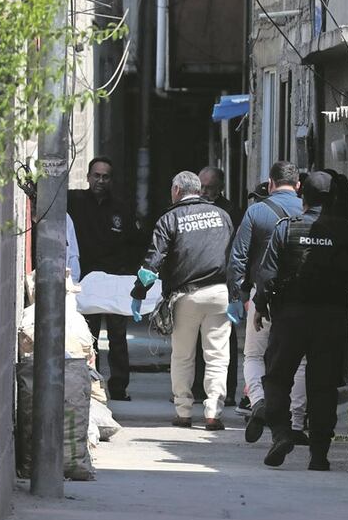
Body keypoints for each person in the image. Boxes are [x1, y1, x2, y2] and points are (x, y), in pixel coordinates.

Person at [253, 170, 348, 470]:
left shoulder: (286, 228)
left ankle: (281, 433)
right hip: (331, 319)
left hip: (290, 317)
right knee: (322, 387)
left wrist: (260, 306)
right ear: (333, 198)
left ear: (301, 196)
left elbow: (267, 274)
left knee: (276, 379)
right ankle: (319, 456)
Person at [131, 171, 234, 430]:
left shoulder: (170, 218)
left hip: (186, 296)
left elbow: (152, 263)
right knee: (218, 356)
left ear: (177, 190)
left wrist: (138, 294)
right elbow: (235, 256)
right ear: (198, 190)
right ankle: (213, 412)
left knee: (183, 356)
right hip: (220, 293)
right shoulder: (222, 215)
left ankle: (184, 411)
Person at [227, 161, 308, 444]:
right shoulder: (306, 211)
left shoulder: (257, 211)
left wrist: (237, 296)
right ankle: (296, 422)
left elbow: (238, 257)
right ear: (298, 185)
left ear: (271, 184)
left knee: (254, 356)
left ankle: (259, 402)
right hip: (300, 299)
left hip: (261, 298)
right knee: (299, 362)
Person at [68, 156, 139, 400]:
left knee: (118, 336)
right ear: (88, 177)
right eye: (96, 175)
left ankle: (119, 388)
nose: (100, 180)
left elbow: (133, 243)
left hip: (115, 279)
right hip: (86, 280)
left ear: (111, 180)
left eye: (105, 176)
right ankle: (91, 384)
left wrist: (130, 277)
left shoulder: (121, 208)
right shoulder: (74, 202)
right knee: (90, 335)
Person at [193, 166, 238, 406]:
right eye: (201, 187)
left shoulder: (230, 211)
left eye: (209, 188)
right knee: (196, 340)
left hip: (223, 282)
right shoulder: (192, 210)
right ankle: (198, 388)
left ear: (220, 187)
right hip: (196, 281)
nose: (204, 192)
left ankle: (226, 391)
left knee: (223, 342)